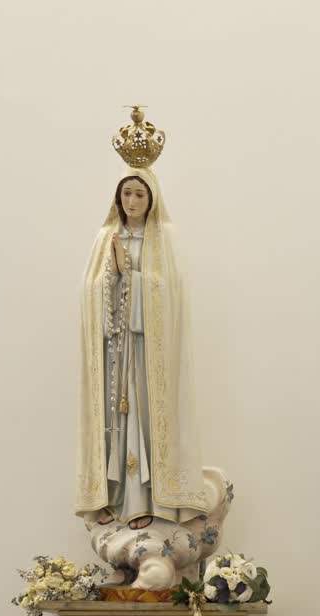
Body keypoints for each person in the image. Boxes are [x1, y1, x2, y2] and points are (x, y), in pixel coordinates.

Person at [75, 167, 208, 530]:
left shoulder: (164, 238)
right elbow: (89, 290)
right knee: (113, 417)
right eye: (126, 193)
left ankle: (148, 499)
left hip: (148, 352)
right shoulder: (106, 236)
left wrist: (131, 275)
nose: (131, 201)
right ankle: (113, 497)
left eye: (139, 194)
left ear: (152, 199)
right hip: (116, 347)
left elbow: (169, 293)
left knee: (145, 417)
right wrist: (112, 276)